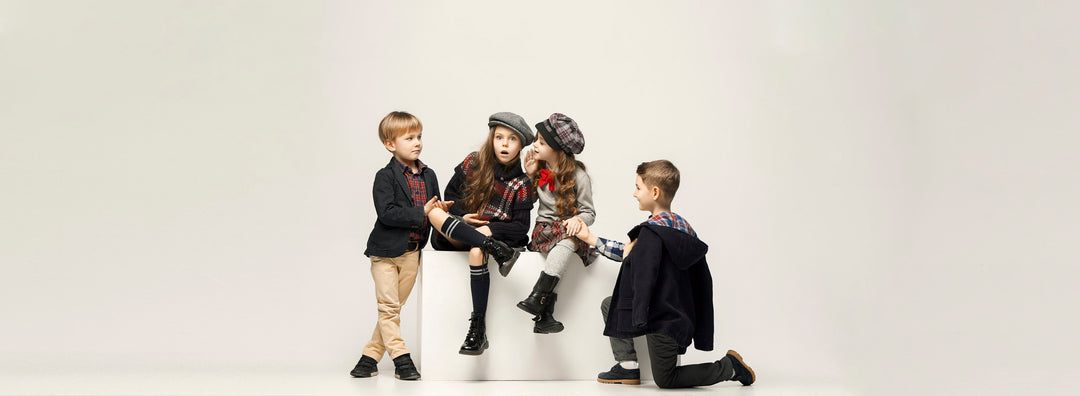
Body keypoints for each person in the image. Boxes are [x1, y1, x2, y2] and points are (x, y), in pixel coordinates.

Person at [575, 160, 756, 388]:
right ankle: (627, 367)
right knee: (610, 305)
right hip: (676, 311)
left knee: (666, 379)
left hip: (663, 317)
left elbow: (632, 258)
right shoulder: (684, 229)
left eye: (638, 187)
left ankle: (730, 367)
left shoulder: (651, 233)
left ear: (655, 192)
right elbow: (635, 254)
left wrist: (615, 251)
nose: (634, 193)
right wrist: (591, 239)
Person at [349, 111, 450, 380]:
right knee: (389, 308)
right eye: (409, 138)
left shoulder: (429, 175)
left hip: (412, 253)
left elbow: (433, 211)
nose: (417, 142)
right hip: (384, 252)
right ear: (390, 144)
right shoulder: (385, 176)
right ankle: (402, 359)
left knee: (392, 309)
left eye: (419, 136)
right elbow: (386, 213)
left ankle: (369, 358)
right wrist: (421, 211)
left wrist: (442, 212)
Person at [426, 112, 536, 355]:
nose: (505, 144)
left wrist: (490, 230)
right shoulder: (473, 162)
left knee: (477, 251)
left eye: (512, 139)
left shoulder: (522, 183)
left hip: (494, 236)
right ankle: (496, 250)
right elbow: (450, 196)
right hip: (461, 230)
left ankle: (478, 330)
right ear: (491, 139)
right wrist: (463, 216)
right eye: (499, 137)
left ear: (521, 146)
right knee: (433, 212)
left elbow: (521, 227)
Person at [516, 113, 597, 334]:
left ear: (558, 149)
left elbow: (589, 213)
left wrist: (577, 219)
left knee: (570, 239)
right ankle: (541, 305)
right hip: (544, 231)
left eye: (542, 142)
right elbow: (527, 202)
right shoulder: (541, 171)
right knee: (569, 241)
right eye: (536, 140)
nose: (535, 145)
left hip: (567, 230)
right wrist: (530, 175)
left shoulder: (579, 176)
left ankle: (540, 304)